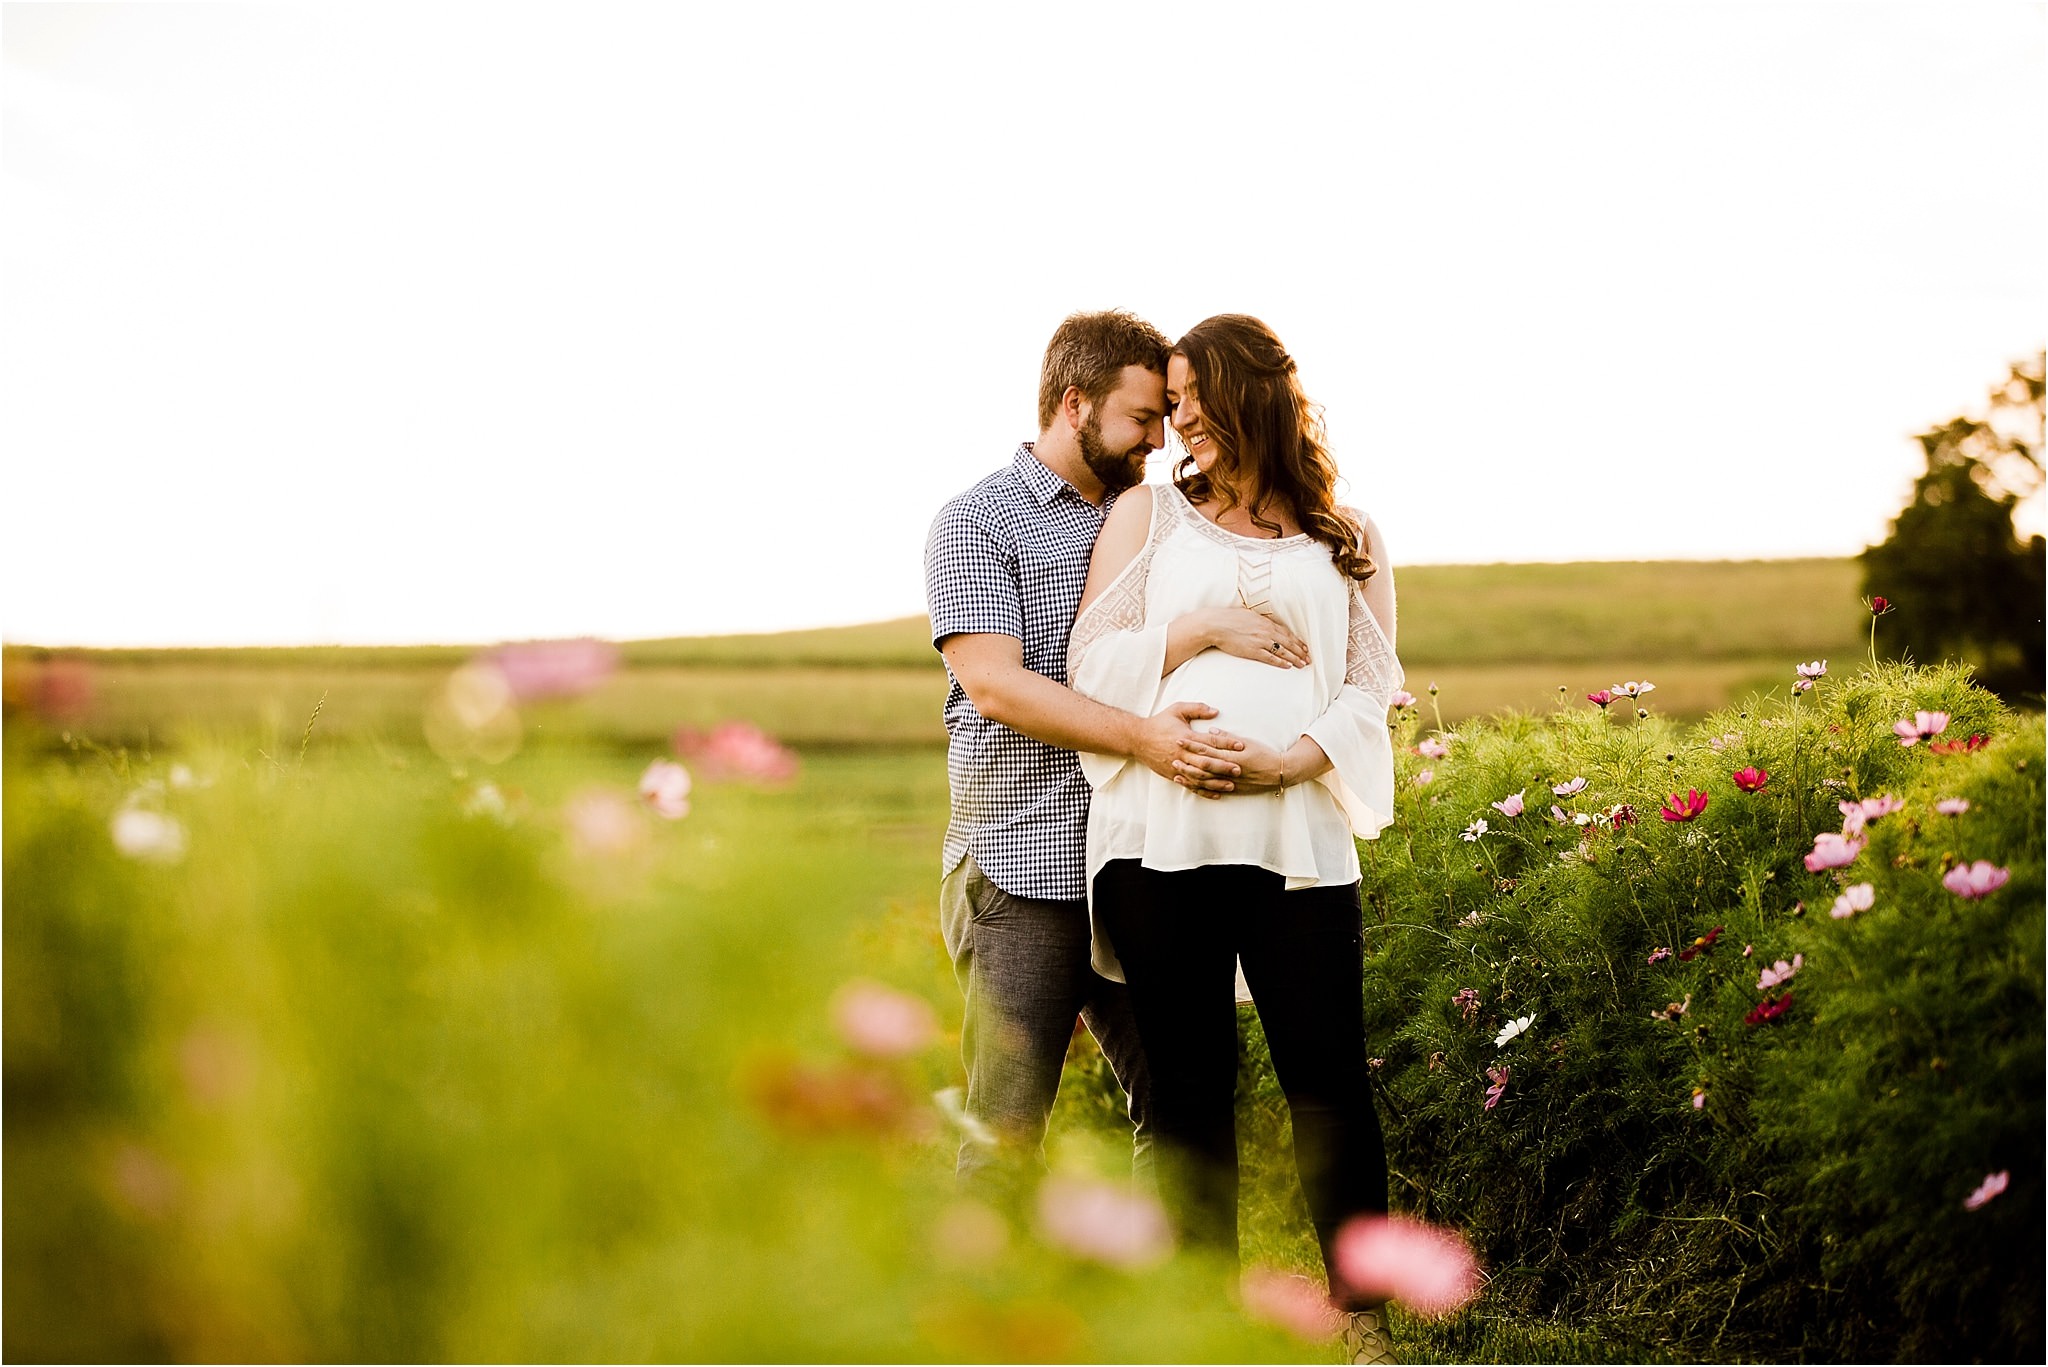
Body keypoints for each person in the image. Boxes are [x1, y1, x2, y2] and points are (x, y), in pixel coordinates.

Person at [1067, 313, 1404, 1362]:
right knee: (1185, 1087)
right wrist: (1201, 635)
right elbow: (1091, 663)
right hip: (1155, 840)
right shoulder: (1149, 517)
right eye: (1167, 404)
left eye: (1190, 398)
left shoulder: (1343, 533)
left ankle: (1361, 1316)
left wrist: (1284, 760)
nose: (1178, 422)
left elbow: (1371, 682)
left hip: (1294, 836)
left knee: (1327, 1074)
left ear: (1247, 391)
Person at [923, 310, 1304, 1195]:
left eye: (1167, 417)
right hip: (1024, 865)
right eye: (1141, 419)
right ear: (1074, 403)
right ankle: (982, 1325)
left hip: (1137, 857)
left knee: (1182, 1106)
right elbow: (998, 688)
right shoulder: (979, 521)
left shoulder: (1164, 518)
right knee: (1007, 1129)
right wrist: (1149, 740)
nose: (1159, 439)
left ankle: (1175, 1319)